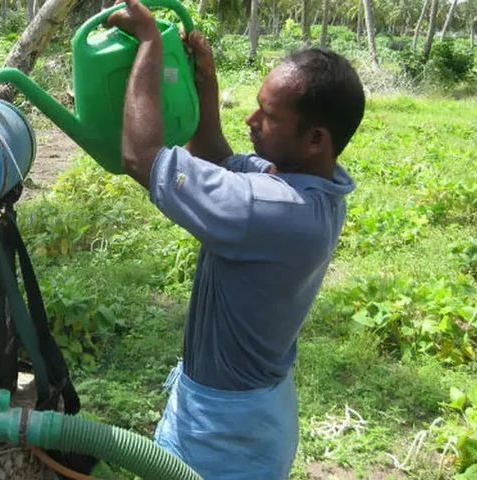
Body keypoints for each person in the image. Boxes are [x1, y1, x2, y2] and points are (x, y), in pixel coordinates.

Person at [106, 0, 365, 478]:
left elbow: (142, 158)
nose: (251, 119)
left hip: (224, 431)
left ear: (315, 139)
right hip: (255, 409)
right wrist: (206, 84)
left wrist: (149, 46)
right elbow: (217, 156)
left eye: (267, 114)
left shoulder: (269, 206)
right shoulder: (313, 184)